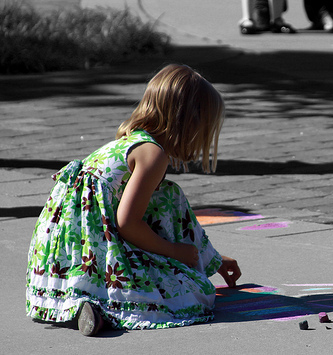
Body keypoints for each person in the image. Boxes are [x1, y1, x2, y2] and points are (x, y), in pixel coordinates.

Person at [26, 64, 241, 336]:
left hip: (62, 259)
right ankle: (104, 308)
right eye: (204, 126)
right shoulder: (153, 154)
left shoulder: (132, 141)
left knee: (167, 194)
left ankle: (87, 302)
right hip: (94, 252)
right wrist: (176, 252)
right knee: (193, 294)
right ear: (189, 121)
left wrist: (215, 260)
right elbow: (127, 223)